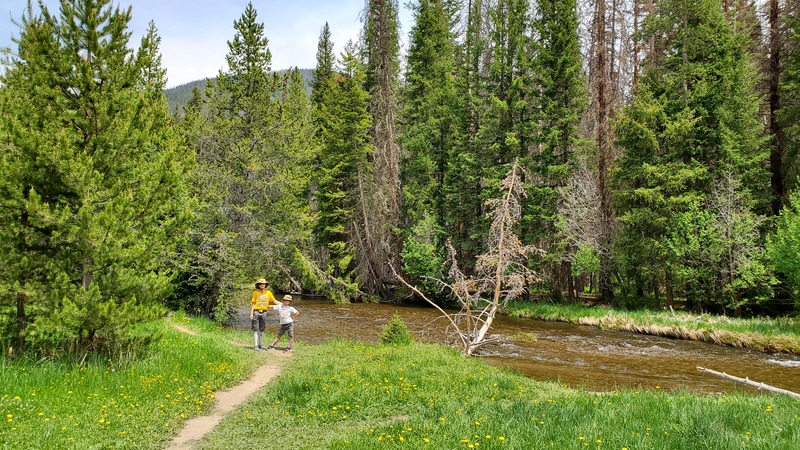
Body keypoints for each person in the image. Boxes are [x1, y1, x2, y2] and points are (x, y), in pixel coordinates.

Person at [250, 278, 280, 350]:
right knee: (255, 329)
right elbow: (253, 304)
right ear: (258, 285)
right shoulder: (255, 293)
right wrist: (251, 314)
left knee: (262, 329)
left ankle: (261, 344)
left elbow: (275, 301)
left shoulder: (268, 293)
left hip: (264, 312)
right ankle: (256, 345)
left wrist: (284, 304)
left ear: (265, 285)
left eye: (263, 284)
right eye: (261, 284)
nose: (262, 285)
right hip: (256, 312)